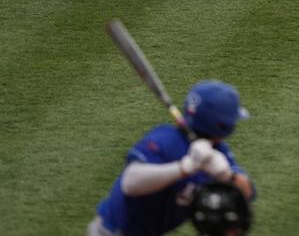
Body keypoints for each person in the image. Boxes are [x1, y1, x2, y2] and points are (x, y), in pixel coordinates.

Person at [87, 80, 255, 236]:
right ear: (221, 125)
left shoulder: (216, 151)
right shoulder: (165, 140)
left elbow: (247, 193)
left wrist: (227, 175)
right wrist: (184, 167)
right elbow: (130, 183)